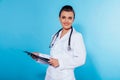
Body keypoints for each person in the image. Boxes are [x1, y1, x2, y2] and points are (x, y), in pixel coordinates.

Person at [33, 5, 86, 80]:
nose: (66, 21)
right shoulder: (55, 36)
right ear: (59, 18)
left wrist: (60, 62)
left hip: (65, 77)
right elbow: (54, 59)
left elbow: (81, 59)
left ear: (73, 19)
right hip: (50, 76)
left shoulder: (77, 36)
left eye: (69, 18)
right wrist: (39, 56)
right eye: (63, 17)